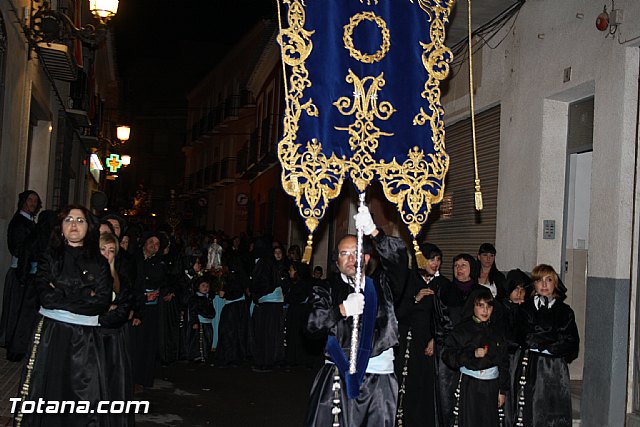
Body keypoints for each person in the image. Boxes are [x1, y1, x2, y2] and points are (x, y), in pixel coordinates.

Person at [305, 206, 408, 427]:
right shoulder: (326, 289)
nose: (351, 258)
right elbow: (312, 327)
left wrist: (374, 232)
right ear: (337, 261)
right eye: (345, 254)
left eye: (356, 252)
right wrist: (340, 310)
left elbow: (400, 261)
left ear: (367, 257)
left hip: (380, 376)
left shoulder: (383, 285)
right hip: (339, 375)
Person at [15, 204, 112, 426]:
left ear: (89, 227)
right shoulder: (49, 257)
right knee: (45, 389)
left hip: (84, 337)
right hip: (50, 334)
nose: (74, 225)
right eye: (68, 220)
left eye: (80, 220)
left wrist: (61, 291)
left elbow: (101, 302)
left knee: (81, 393)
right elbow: (45, 297)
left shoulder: (99, 262)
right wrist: (84, 294)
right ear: (61, 227)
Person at [513, 264, 579, 427]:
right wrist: (552, 337)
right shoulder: (525, 309)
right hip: (529, 365)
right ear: (534, 284)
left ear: (555, 284)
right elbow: (522, 336)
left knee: (553, 411)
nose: (544, 285)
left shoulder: (565, 311)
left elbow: (571, 343)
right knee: (529, 409)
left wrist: (547, 345)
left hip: (554, 368)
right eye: (539, 280)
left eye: (548, 280)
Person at [394, 243, 448, 427]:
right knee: (408, 383)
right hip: (409, 341)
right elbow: (398, 313)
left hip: (431, 341)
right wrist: (415, 299)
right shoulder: (409, 280)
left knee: (428, 385)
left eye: (438, 259)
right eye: (431, 259)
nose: (435, 263)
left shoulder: (441, 284)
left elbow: (446, 318)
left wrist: (436, 338)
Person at [442, 289, 509, 426]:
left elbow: (504, 362)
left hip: (492, 386)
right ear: (473, 307)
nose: (485, 310)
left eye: (489, 306)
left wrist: (502, 390)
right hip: (470, 385)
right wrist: (471, 354)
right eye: (480, 305)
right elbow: (448, 355)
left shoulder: (497, 331)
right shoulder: (462, 330)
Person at [434, 253, 484, 427]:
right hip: (450, 350)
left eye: (463, 265)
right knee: (447, 395)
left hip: (474, 350)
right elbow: (439, 319)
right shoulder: (445, 291)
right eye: (456, 266)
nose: (459, 269)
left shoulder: (481, 293)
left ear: (472, 268)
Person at [98, 232, 134, 427]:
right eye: (103, 249)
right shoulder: (85, 276)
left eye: (111, 251)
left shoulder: (122, 281)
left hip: (111, 342)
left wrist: (101, 312)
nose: (106, 254)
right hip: (89, 340)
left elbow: (122, 313)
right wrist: (105, 308)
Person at [0, 190, 41, 358]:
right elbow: (18, 247)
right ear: (23, 202)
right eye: (30, 200)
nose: (32, 203)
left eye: (35, 201)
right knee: (15, 309)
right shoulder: (19, 222)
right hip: (19, 272)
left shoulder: (30, 222)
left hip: (24, 271)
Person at [130, 231, 169, 391]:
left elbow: (163, 280)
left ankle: (142, 378)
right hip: (136, 305)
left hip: (152, 308)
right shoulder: (135, 259)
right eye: (151, 242)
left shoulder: (160, 262)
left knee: (147, 343)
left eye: (157, 244)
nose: (153, 246)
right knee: (134, 344)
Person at [188, 276, 215, 365]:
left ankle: (205, 355)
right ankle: (199, 356)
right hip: (200, 322)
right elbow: (193, 311)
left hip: (208, 322)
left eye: (207, 286)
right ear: (198, 287)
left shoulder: (207, 298)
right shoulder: (195, 298)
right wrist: (195, 322)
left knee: (208, 339)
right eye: (203, 286)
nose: (205, 288)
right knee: (200, 340)